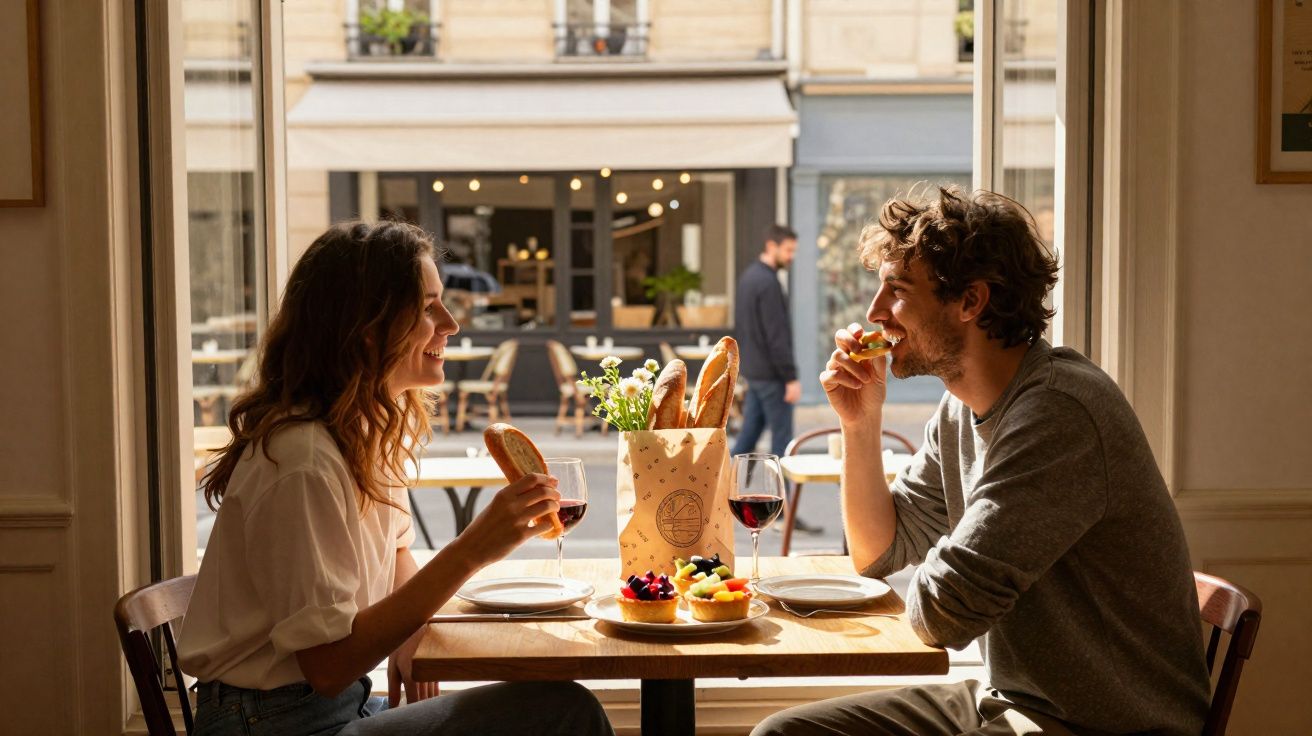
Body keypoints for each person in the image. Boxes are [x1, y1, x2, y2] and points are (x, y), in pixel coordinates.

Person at [753, 187, 1210, 736]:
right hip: (1010, 700)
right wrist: (859, 422)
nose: (874, 314)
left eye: (897, 291)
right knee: (782, 734)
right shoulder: (960, 407)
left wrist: (955, 568)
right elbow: (877, 553)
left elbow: (945, 614)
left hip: (1101, 722)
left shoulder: (1058, 413)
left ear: (971, 301)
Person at [177, 221, 614, 736]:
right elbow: (329, 667)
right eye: (429, 307)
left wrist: (411, 635)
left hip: (325, 708)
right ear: (366, 325)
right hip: (277, 724)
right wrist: (472, 549)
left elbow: (398, 553)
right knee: (564, 712)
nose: (450, 324)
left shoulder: (360, 431)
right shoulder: (303, 463)